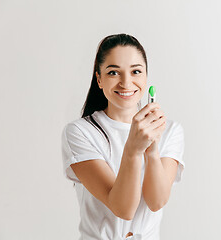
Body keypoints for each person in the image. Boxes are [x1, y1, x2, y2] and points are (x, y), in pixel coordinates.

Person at [61, 33, 185, 240]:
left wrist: (152, 150)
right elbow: (123, 209)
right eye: (113, 73)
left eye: (136, 71)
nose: (126, 83)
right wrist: (133, 150)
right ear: (99, 79)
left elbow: (156, 202)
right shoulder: (80, 132)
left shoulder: (170, 130)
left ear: (146, 77)